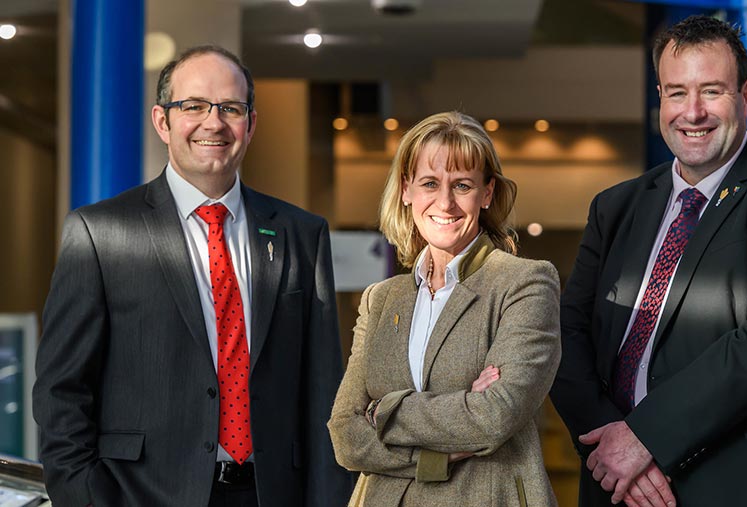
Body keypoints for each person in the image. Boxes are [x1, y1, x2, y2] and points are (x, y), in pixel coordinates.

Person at [550, 15, 747, 507]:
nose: (693, 112)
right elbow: (567, 332)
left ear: (745, 95)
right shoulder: (616, 205)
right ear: (660, 98)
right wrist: (607, 441)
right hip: (622, 487)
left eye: (712, 91)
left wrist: (643, 437)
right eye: (676, 92)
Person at [33, 45, 352, 507]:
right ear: (162, 121)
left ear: (251, 123)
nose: (214, 122)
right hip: (140, 494)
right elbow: (62, 389)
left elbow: (323, 389)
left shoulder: (302, 233)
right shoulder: (99, 232)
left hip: (271, 493)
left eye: (230, 108)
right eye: (194, 106)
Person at [327, 111, 561, 506]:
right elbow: (345, 436)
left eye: (463, 185)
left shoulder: (526, 284)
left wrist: (383, 410)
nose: (445, 202)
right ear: (407, 190)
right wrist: (440, 450)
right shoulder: (380, 299)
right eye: (430, 183)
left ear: (487, 193)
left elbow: (494, 416)